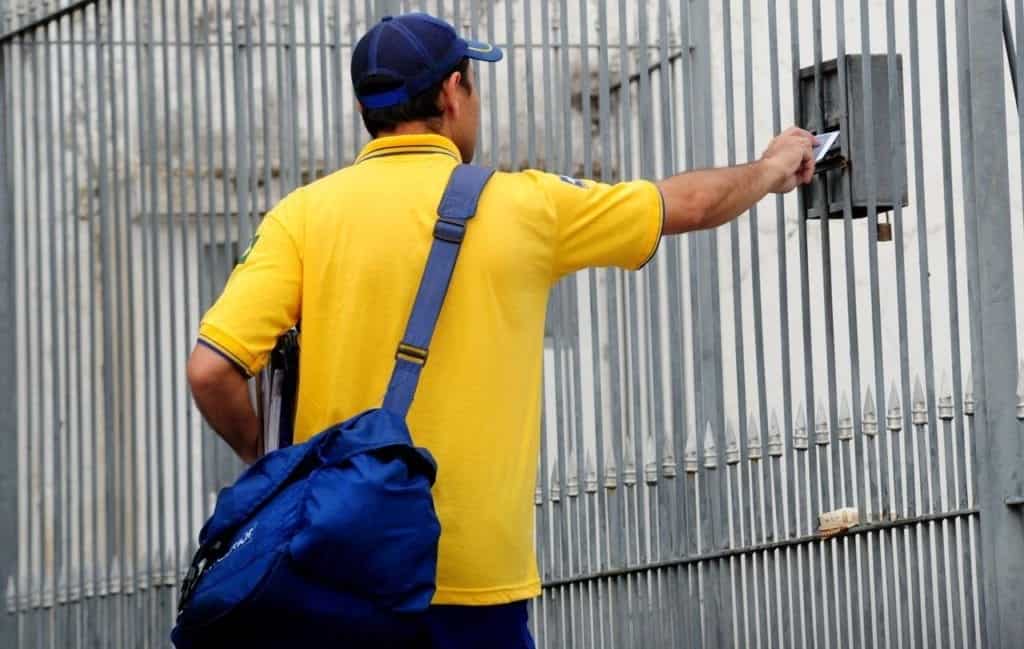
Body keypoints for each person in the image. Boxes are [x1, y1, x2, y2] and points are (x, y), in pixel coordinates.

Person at [185, 11, 815, 648]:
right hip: (474, 580)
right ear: (453, 92)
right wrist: (771, 167)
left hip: (334, 570)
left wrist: (271, 462)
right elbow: (691, 203)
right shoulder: (523, 204)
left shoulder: (300, 217)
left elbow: (211, 370)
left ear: (364, 108)